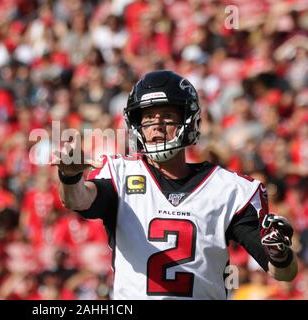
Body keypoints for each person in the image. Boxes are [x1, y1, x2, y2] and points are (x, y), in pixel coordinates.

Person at [52, 70, 298, 300]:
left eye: (167, 116)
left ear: (189, 121)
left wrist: (280, 253)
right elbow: (77, 199)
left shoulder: (230, 189)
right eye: (148, 117)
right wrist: (70, 177)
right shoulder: (121, 173)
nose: (157, 126)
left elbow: (283, 272)